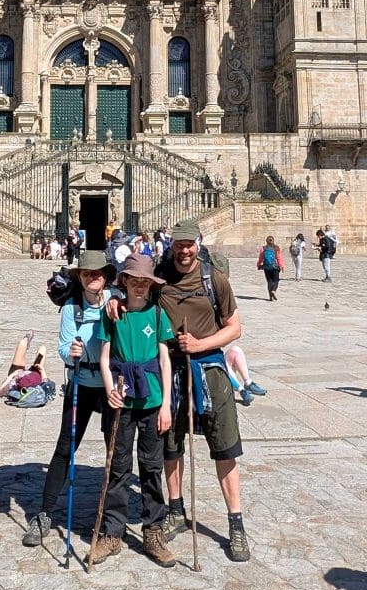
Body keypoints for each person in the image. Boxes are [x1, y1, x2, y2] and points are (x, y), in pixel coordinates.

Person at [156, 222, 250, 562]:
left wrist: (201, 344)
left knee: (225, 449)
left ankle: (235, 523)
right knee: (171, 444)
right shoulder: (159, 279)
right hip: (172, 373)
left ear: (198, 244)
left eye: (189, 245)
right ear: (171, 246)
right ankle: (176, 509)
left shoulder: (215, 280)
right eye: (178, 245)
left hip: (210, 372)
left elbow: (235, 328)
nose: (184, 251)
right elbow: (132, 295)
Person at [22, 250, 118, 547]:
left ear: (106, 276)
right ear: (80, 277)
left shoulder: (116, 300)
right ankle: (45, 514)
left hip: (111, 383)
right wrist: (71, 352)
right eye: (87, 273)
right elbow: (63, 347)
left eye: (98, 273)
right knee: (65, 448)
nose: (93, 277)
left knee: (114, 449)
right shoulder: (70, 308)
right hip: (81, 382)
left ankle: (112, 518)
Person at [91, 253, 175, 567]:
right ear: (124, 281)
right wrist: (109, 387)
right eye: (134, 280)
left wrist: (166, 403)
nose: (139, 287)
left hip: (152, 400)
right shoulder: (112, 314)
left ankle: (153, 530)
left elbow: (165, 360)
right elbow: (104, 356)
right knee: (118, 464)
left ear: (151, 285)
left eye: (145, 282)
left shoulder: (157, 315)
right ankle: (112, 532)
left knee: (151, 466)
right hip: (122, 398)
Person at [0, 330, 48, 399]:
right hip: (35, 374)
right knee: (42, 349)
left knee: (22, 343)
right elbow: (45, 381)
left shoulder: (13, 386)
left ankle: (26, 341)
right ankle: (26, 345)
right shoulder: (38, 388)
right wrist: (42, 370)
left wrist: (11, 377)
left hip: (17, 372)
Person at [257, 236, 285, 301]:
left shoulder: (264, 248)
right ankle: (274, 291)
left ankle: (270, 297)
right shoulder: (276, 248)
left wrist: (258, 264)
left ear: (266, 241)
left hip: (266, 267)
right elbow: (279, 258)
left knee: (269, 281)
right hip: (275, 267)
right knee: (276, 280)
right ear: (273, 241)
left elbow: (261, 258)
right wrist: (282, 266)